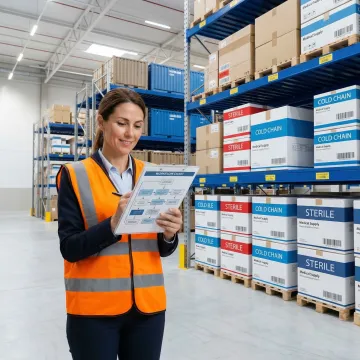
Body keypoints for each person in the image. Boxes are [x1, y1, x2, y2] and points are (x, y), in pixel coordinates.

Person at [56, 88, 182, 360]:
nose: (130, 134)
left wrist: (170, 234)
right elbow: (70, 248)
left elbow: (160, 248)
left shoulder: (153, 175)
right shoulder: (74, 175)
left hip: (148, 309)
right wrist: (112, 225)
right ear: (101, 122)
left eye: (137, 126)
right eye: (121, 123)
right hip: (93, 313)